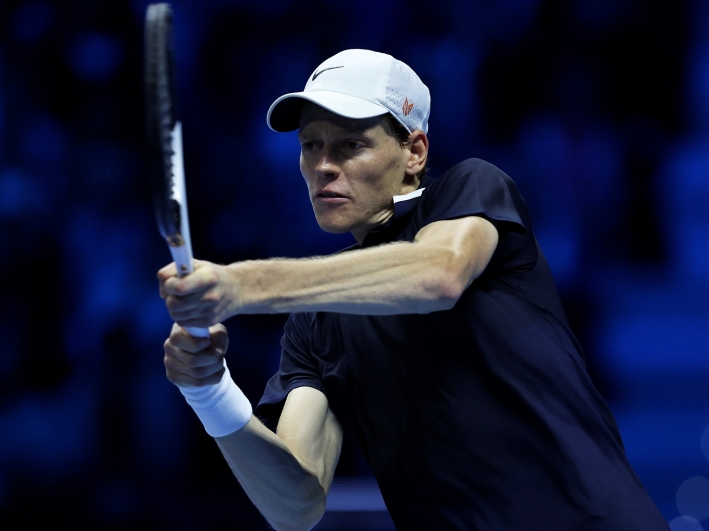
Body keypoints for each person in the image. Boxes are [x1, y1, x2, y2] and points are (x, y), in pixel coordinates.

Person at [157, 49, 667, 531]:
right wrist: (208, 391)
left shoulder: (471, 189)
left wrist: (243, 283)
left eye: (350, 145)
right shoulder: (316, 324)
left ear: (414, 152)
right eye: (311, 145)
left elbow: (438, 276)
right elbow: (296, 505)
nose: (323, 166)